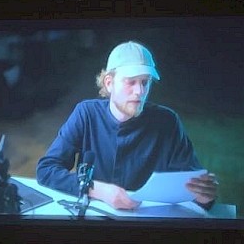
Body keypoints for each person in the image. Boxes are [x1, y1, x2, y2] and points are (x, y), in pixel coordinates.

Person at [36, 40, 219, 211]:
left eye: (145, 82)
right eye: (131, 82)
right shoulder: (86, 114)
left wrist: (203, 197)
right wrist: (97, 189)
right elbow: (46, 169)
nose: (140, 91)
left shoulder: (167, 122)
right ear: (109, 83)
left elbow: (192, 186)